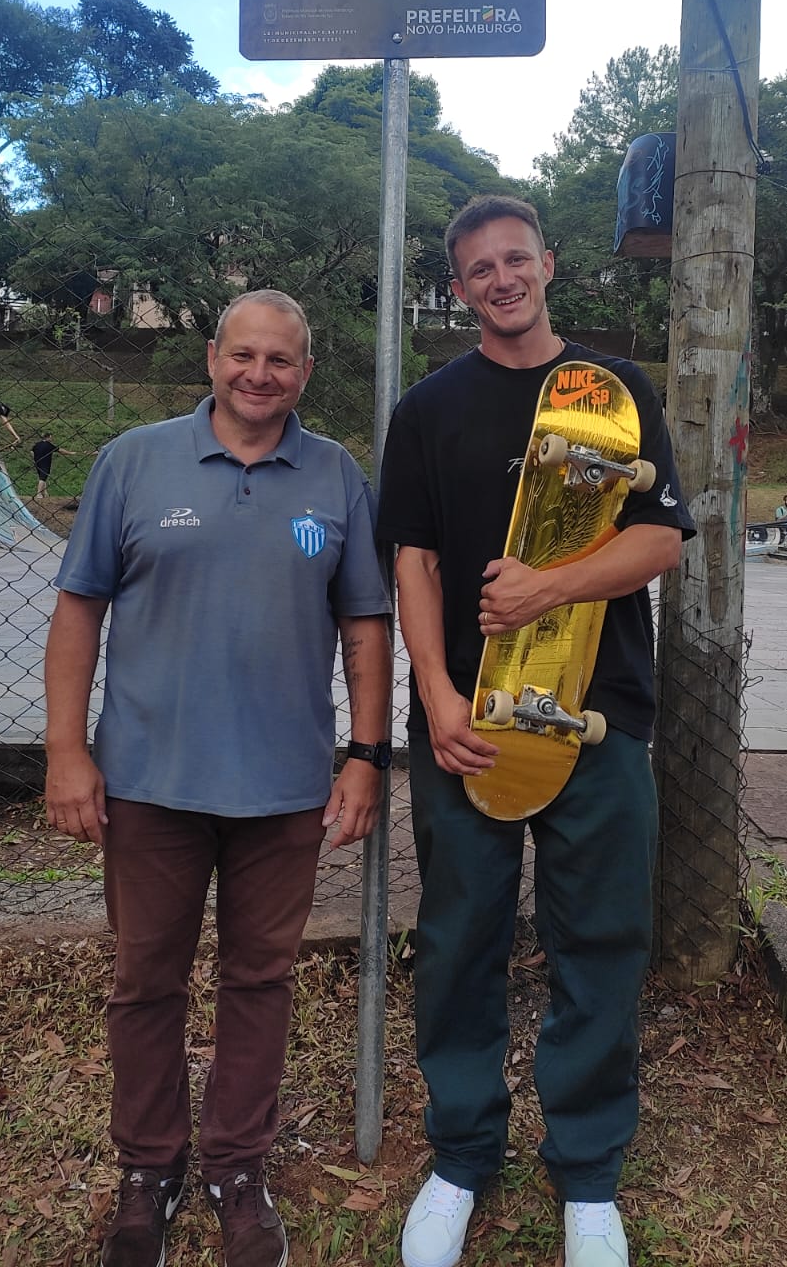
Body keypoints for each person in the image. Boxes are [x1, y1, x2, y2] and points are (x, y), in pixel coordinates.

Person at [43, 289, 392, 1267]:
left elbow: (366, 621)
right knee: (146, 980)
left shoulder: (334, 478)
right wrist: (67, 751)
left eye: (280, 360)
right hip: (150, 780)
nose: (259, 374)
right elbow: (79, 611)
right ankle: (146, 1170)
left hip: (282, 789)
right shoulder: (135, 462)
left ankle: (239, 1166)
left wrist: (365, 755)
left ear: (305, 374)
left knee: (260, 981)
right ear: (211, 357)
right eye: (244, 354)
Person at [377, 196, 694, 1267]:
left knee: (599, 940)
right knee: (459, 940)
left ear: (548, 264)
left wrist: (544, 590)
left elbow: (659, 541)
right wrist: (436, 691)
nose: (501, 278)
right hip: (466, 724)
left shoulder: (612, 395)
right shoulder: (428, 409)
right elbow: (411, 559)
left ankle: (588, 1175)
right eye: (479, 268)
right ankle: (463, 1156)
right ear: (458, 286)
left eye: (517, 259)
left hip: (602, 724)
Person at [32, 431, 80, 500]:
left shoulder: (37, 444)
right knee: (43, 477)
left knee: (42, 477)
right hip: (45, 462)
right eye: (51, 437)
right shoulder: (48, 445)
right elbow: (60, 450)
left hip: (37, 462)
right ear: (48, 437)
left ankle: (44, 493)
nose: (51, 439)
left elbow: (32, 451)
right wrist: (70, 453)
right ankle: (38, 493)